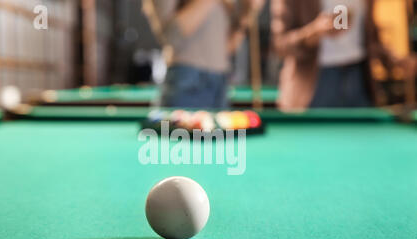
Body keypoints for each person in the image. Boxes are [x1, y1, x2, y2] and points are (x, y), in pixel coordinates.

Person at [270, 0, 414, 112]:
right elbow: (280, 44)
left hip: (358, 78)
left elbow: (371, 38)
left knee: (362, 146)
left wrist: (396, 62)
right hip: (316, 83)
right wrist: (313, 32)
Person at [143, 0, 265, 109]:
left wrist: (248, 12)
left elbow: (228, 47)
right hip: (186, 80)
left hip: (220, 83)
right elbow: (171, 36)